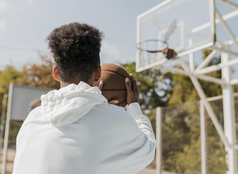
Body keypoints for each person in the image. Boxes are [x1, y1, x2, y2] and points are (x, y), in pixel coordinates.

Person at [13, 22, 156, 174]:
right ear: (98, 73)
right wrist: (133, 105)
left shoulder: (32, 120)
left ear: (56, 73)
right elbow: (148, 150)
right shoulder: (114, 119)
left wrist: (98, 103)